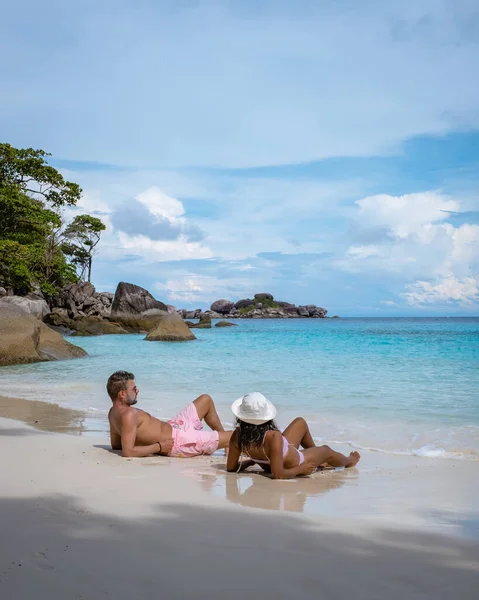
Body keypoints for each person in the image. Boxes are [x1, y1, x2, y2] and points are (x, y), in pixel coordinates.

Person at [226, 392, 360, 479]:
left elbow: (231, 468)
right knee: (326, 450)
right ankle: (348, 461)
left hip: (274, 457)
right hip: (296, 462)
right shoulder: (273, 437)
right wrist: (300, 469)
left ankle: (319, 460)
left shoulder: (238, 435)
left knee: (300, 422)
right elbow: (278, 474)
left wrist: (251, 461)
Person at [107, 370, 232, 458]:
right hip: (179, 442)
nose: (137, 390)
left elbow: (116, 445)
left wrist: (142, 439)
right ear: (122, 394)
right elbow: (128, 452)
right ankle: (228, 442)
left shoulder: (112, 413)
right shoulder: (128, 415)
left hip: (174, 426)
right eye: (134, 389)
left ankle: (227, 446)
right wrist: (159, 447)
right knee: (235, 436)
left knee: (206, 399)